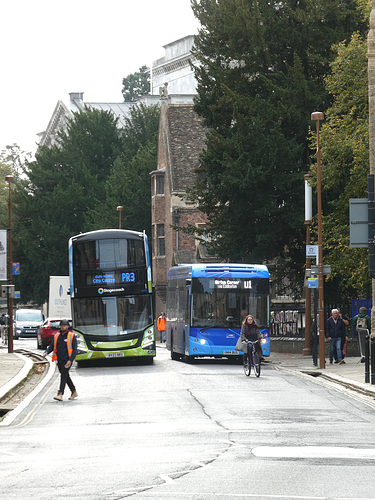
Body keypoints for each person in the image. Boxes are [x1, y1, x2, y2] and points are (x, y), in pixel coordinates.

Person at [43, 319, 78, 401]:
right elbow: (52, 346)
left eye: (65, 325)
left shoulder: (71, 336)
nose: (63, 327)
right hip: (59, 360)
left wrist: (71, 360)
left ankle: (60, 393)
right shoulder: (57, 336)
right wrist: (46, 352)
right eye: (62, 325)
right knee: (66, 376)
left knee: (63, 375)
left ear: (68, 326)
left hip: (67, 360)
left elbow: (75, 350)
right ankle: (73, 391)